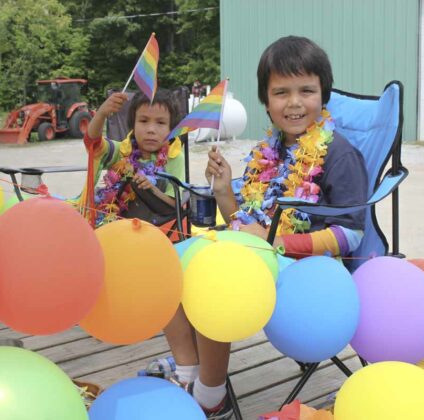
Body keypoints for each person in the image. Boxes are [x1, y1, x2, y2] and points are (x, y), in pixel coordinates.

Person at [158, 36, 369, 419]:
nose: (294, 102)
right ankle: (191, 374)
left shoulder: (340, 154)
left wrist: (278, 243)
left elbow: (350, 234)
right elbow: (249, 220)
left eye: (306, 90)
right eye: (281, 92)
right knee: (169, 261)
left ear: (324, 94)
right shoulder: (269, 152)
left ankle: (211, 397)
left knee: (215, 276)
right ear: (266, 102)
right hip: (261, 255)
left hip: (311, 272)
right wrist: (224, 193)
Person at [78, 88, 185, 230]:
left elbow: (174, 204)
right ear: (133, 125)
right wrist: (101, 114)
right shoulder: (122, 151)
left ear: (172, 129)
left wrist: (151, 190)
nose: (151, 129)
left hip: (154, 233)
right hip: (114, 229)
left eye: (160, 123)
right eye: (143, 121)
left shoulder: (174, 157)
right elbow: (92, 143)